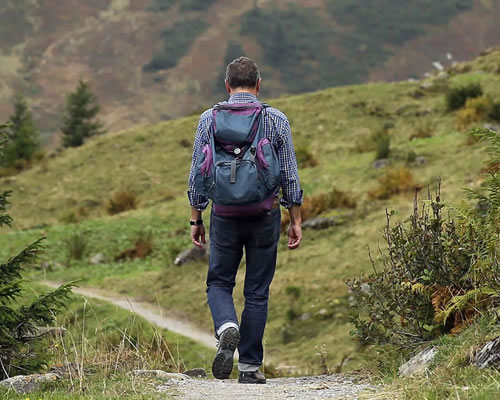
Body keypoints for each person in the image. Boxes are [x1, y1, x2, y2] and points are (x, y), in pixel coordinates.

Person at [187, 57, 303, 384]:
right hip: (264, 214)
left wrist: (196, 218)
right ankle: (250, 367)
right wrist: (295, 218)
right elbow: (290, 176)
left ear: (227, 86)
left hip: (224, 215)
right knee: (257, 290)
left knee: (219, 282)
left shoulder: (208, 119)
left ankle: (227, 326)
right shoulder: (275, 119)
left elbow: (198, 174)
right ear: (258, 84)